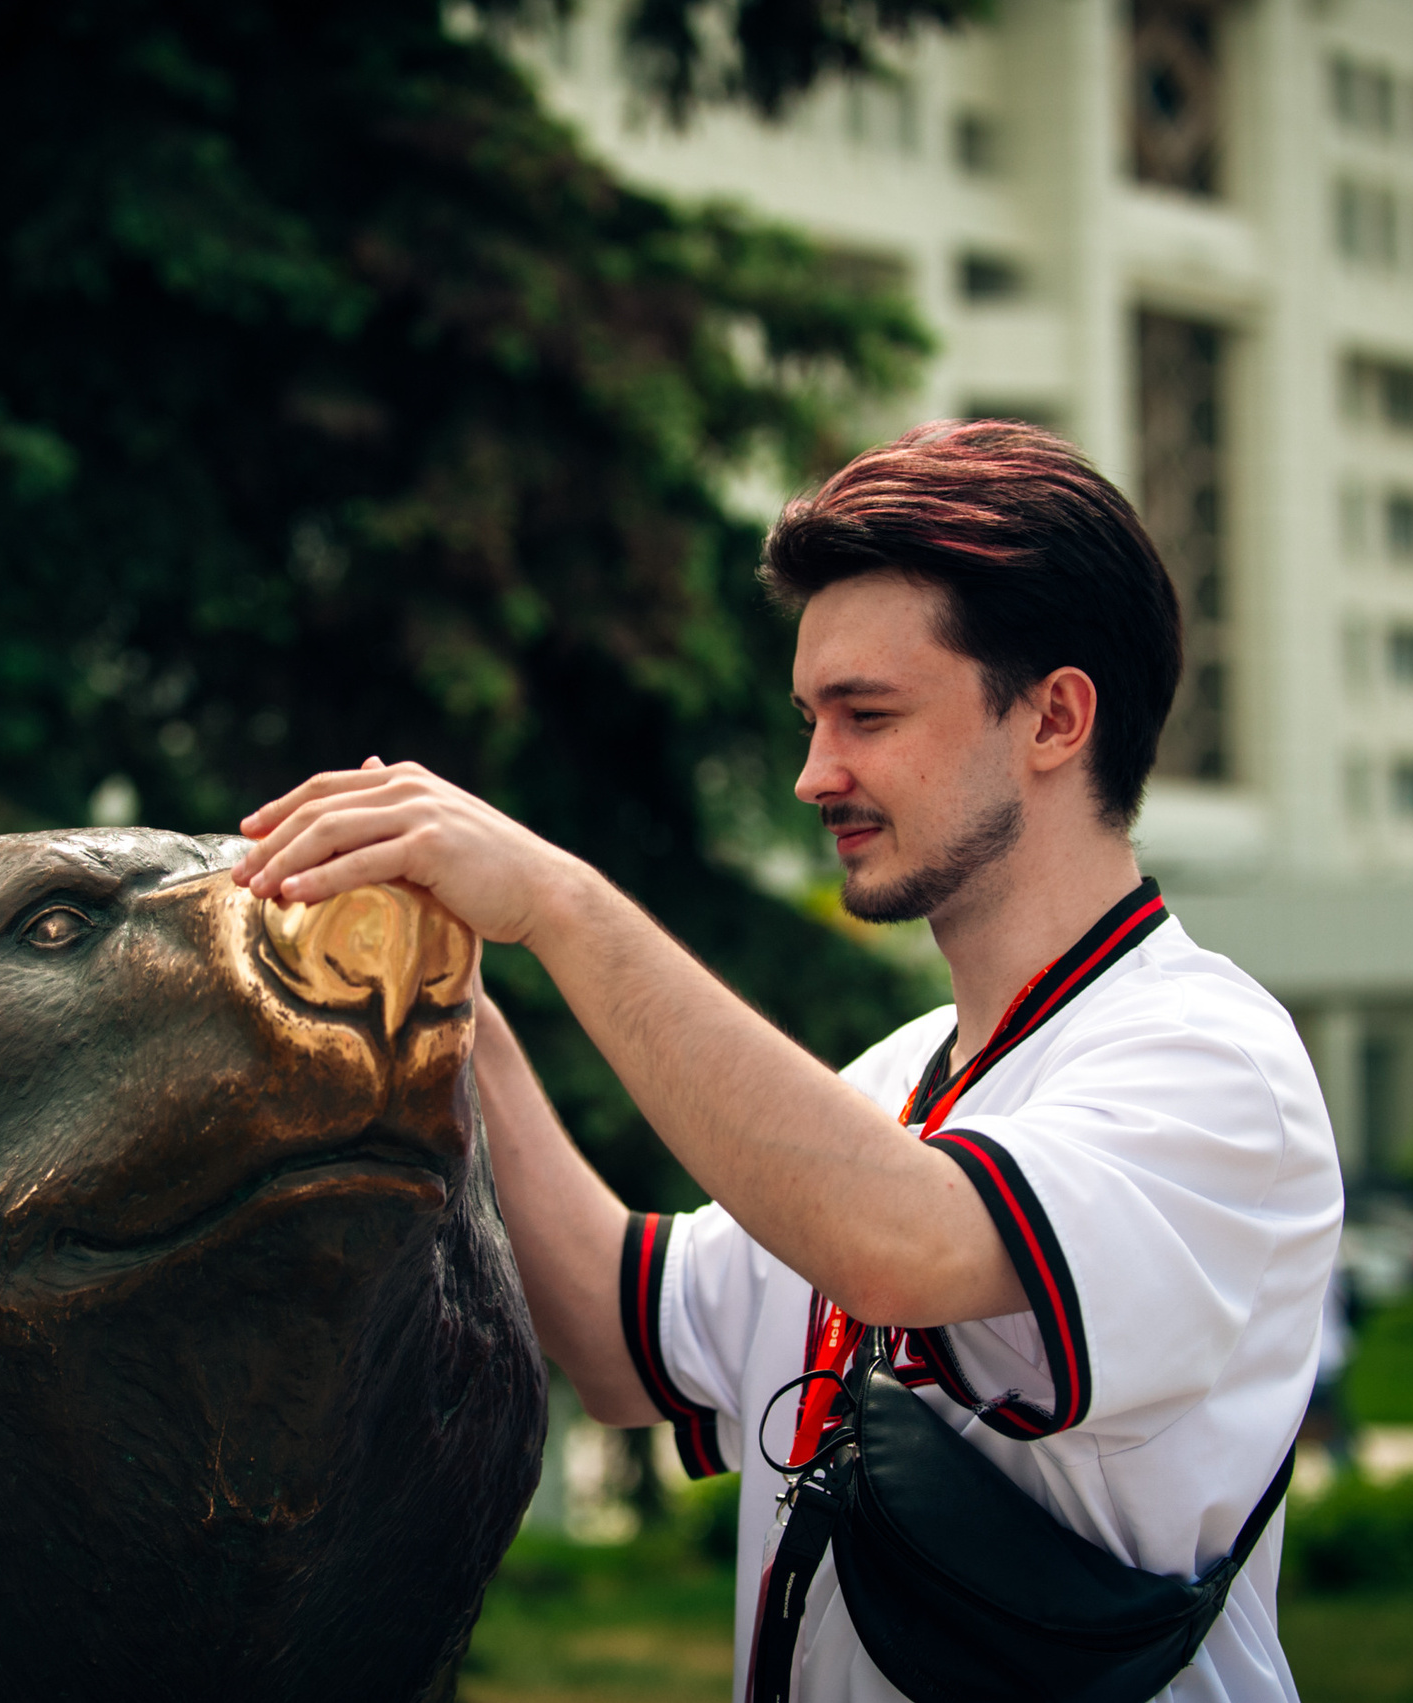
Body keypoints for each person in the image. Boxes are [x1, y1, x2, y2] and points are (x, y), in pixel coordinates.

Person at [235, 421, 1343, 1703]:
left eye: (866, 714)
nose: (816, 772)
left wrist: (561, 902)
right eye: (812, 716)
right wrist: (441, 986)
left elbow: (903, 1244)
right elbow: (610, 1329)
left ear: (1054, 716)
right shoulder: (894, 1084)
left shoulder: (1211, 1058)